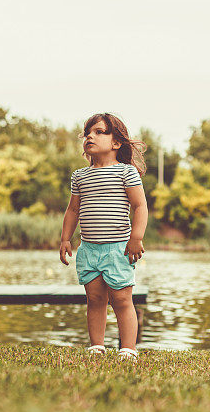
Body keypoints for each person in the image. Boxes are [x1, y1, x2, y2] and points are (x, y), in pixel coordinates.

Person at [59, 113, 148, 361]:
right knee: (95, 299)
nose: (90, 136)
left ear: (116, 143)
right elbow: (73, 210)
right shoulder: (80, 176)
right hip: (89, 249)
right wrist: (66, 238)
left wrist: (136, 238)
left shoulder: (126, 173)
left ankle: (128, 348)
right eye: (88, 133)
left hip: (118, 249)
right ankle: (97, 346)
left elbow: (140, 207)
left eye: (99, 132)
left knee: (121, 299)